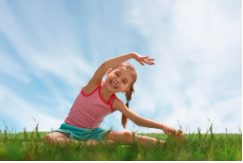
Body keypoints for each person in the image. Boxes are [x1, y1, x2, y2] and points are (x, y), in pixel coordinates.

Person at [43, 52, 185, 147]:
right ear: (109, 72)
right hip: (69, 130)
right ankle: (88, 146)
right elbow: (104, 65)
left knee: (127, 135)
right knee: (49, 139)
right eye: (117, 74)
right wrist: (132, 55)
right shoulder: (93, 85)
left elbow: (137, 119)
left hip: (94, 134)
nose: (118, 80)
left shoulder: (116, 103)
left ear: (125, 89)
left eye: (124, 81)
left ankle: (165, 145)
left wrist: (162, 127)